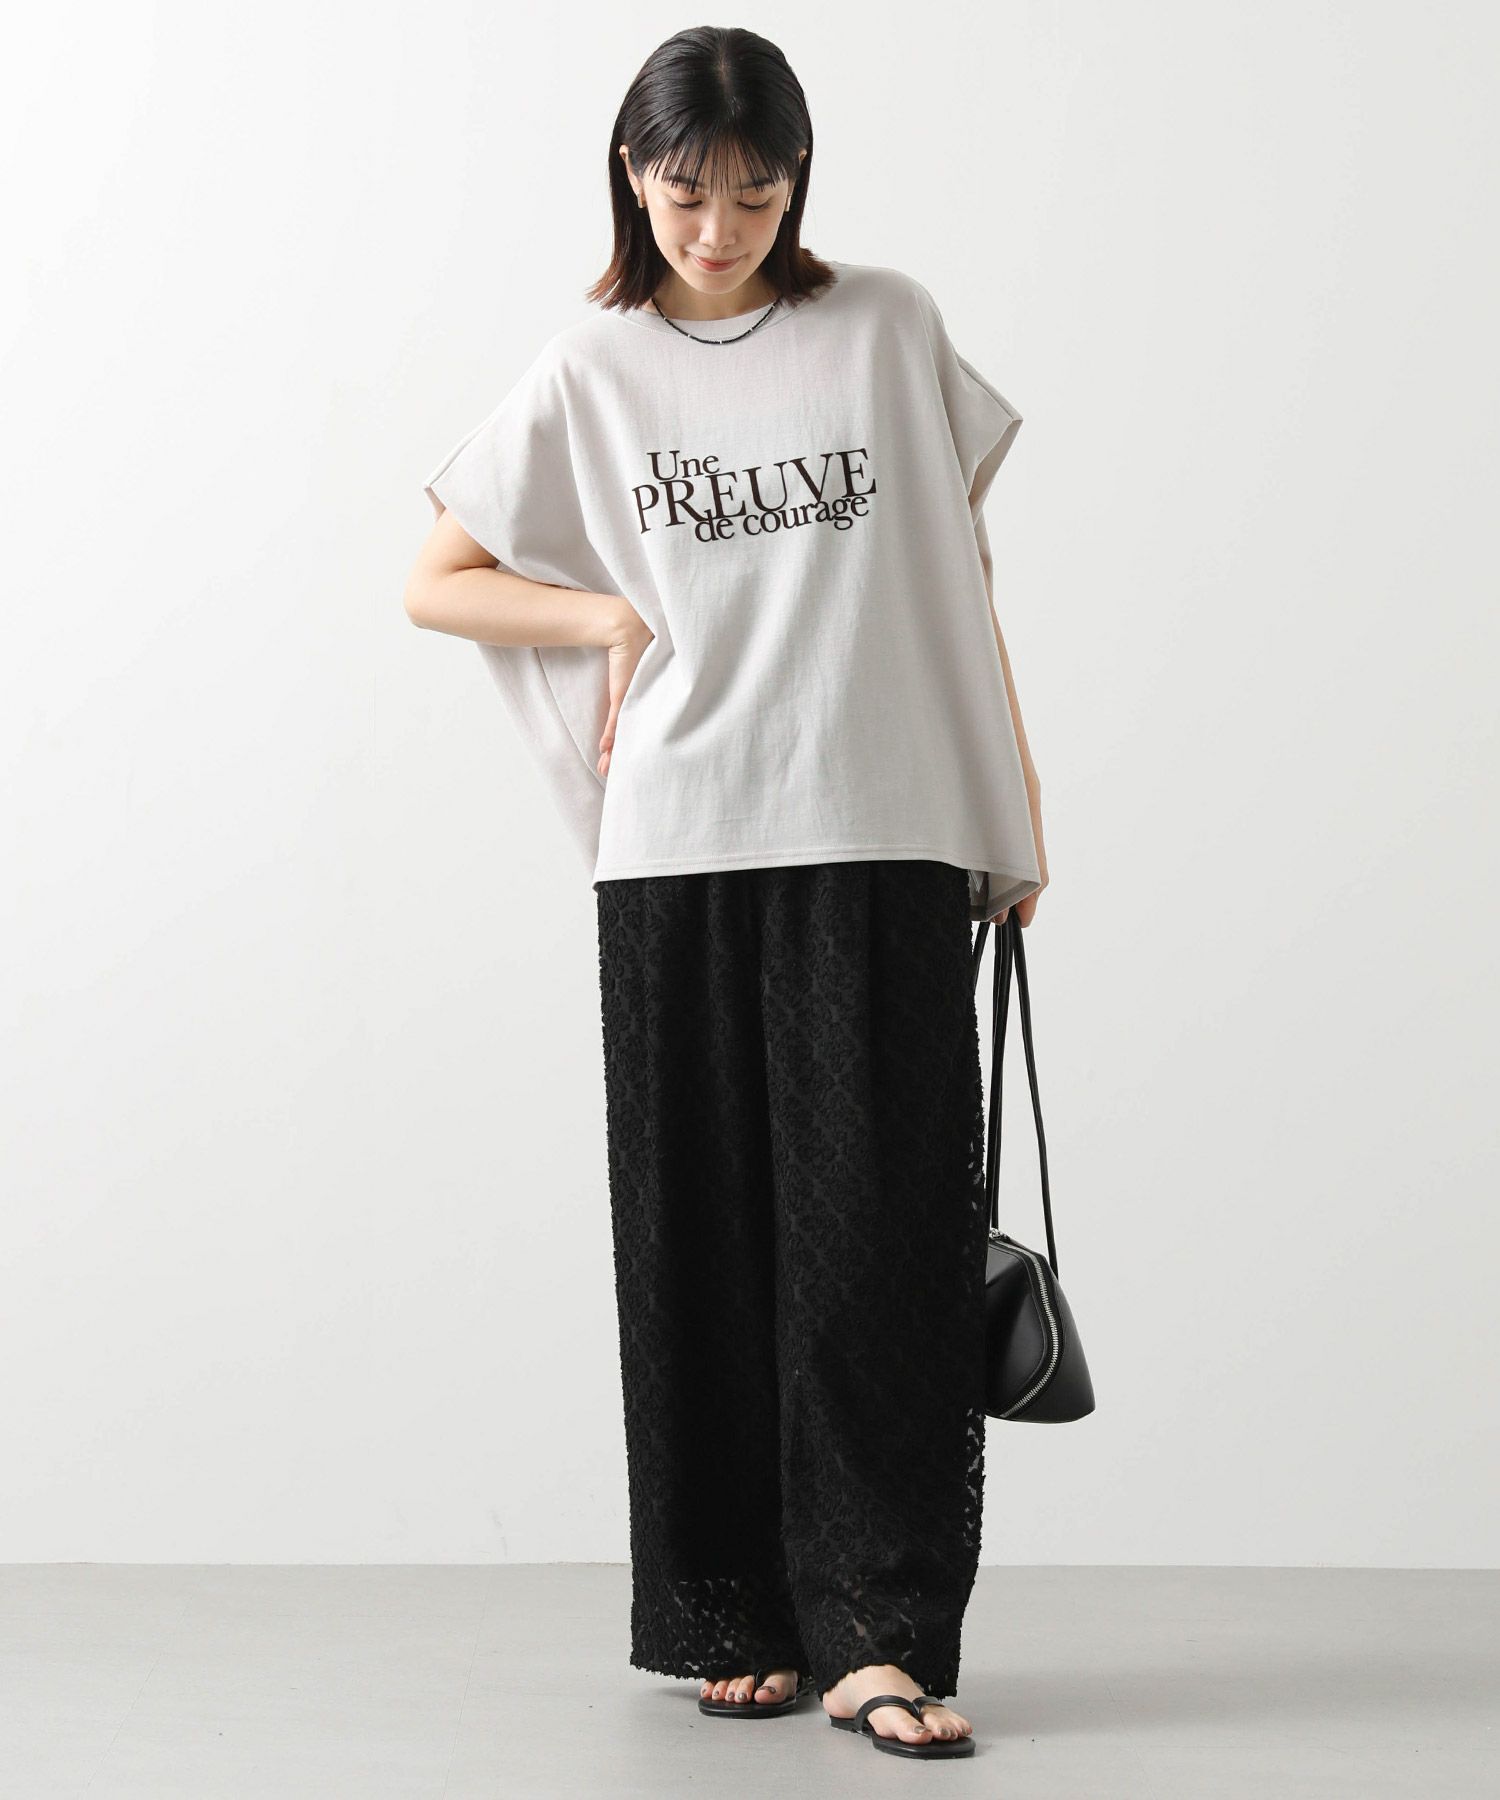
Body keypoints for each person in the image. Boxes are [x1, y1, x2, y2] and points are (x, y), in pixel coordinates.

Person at [404, 25, 1047, 1764]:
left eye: (755, 194)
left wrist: (1015, 807)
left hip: (884, 825)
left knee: (882, 1244)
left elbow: (957, 577)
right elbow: (438, 577)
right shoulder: (592, 363)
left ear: (798, 180)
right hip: (679, 840)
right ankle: (733, 1612)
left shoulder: (886, 325)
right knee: (701, 1234)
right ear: (635, 177)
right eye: (687, 193)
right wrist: (607, 617)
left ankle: (878, 1637)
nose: (718, 228)